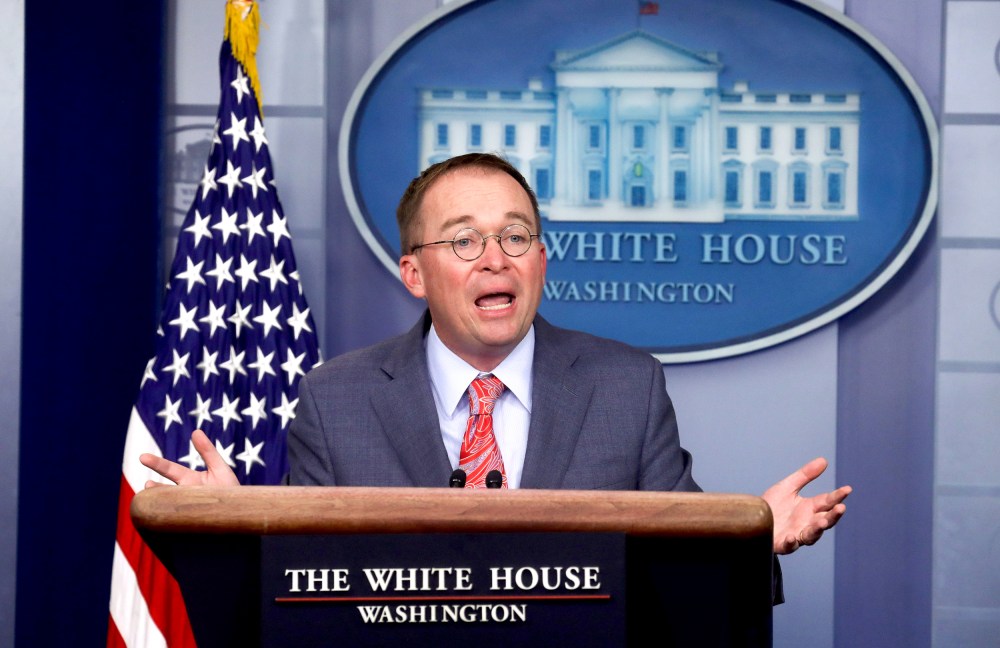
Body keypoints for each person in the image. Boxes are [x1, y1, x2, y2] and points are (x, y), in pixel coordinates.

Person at [142, 153, 851, 561]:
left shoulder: (625, 386)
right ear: (413, 273)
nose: (494, 260)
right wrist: (235, 529)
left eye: (515, 237)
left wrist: (753, 537)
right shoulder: (339, 397)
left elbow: (679, 562)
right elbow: (304, 577)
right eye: (462, 241)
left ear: (541, 260)